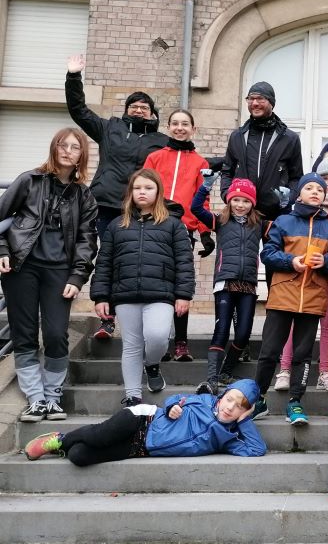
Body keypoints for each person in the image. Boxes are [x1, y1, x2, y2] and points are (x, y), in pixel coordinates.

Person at [65, 54, 169, 339]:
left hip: (139, 208)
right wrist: (74, 76)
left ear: (152, 114)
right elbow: (78, 110)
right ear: (126, 110)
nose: (138, 110)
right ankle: (106, 319)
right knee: (105, 257)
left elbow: (189, 158)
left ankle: (149, 318)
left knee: (134, 260)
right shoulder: (110, 128)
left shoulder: (161, 141)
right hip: (105, 204)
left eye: (144, 107)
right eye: (133, 106)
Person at [0, 128, 98, 422]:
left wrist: (77, 277)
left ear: (82, 155)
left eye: (75, 147)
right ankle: (35, 399)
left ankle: (53, 397)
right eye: (63, 145)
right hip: (22, 267)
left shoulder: (83, 194)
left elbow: (87, 239)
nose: (68, 151)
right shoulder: (30, 181)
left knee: (56, 334)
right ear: (54, 149)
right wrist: (3, 250)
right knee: (24, 333)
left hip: (59, 272)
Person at [90, 169, 195, 407]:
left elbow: (184, 262)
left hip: (160, 295)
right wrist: (100, 296)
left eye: (148, 188)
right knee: (131, 345)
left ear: (158, 191)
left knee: (157, 337)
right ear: (130, 192)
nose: (142, 192)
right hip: (125, 296)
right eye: (137, 188)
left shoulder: (173, 225)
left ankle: (152, 364)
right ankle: (133, 395)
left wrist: (183, 294)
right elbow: (104, 263)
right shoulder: (117, 225)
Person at [253, 172, 328, 424]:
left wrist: (325, 261)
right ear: (300, 193)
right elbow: (267, 254)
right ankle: (257, 399)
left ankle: (295, 402)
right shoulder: (283, 221)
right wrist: (291, 261)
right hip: (282, 296)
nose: (315, 192)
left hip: (313, 299)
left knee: (303, 355)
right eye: (310, 188)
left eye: (320, 189)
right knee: (269, 351)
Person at [23, 379, 266, 464]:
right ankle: (58, 440)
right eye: (230, 399)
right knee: (100, 435)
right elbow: (176, 398)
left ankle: (66, 448)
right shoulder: (205, 401)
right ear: (223, 396)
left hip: (141, 449)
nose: (230, 407)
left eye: (240, 407)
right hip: (144, 420)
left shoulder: (229, 438)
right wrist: (172, 408)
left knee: (79, 456)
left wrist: (245, 421)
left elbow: (256, 449)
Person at [274, 155, 328, 392]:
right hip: (304, 272)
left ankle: (325, 372)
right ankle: (286, 369)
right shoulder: (300, 209)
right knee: (294, 322)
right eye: (324, 179)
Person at [144, 109, 212, 363]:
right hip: (152, 226)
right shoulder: (154, 157)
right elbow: (142, 189)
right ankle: (155, 341)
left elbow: (201, 200)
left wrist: (205, 232)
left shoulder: (201, 163)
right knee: (155, 283)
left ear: (194, 129)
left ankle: (181, 342)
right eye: (175, 123)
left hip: (183, 230)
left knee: (180, 285)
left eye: (185, 124)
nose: (179, 128)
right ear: (168, 127)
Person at [191, 175, 264, 394]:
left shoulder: (259, 224)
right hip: (225, 282)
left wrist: (284, 203)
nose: (240, 205)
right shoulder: (220, 221)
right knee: (221, 329)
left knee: (243, 333)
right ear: (229, 201)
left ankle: (226, 371)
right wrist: (205, 187)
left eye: (246, 201)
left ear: (252, 203)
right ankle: (212, 377)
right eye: (236, 200)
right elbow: (195, 209)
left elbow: (283, 222)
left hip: (249, 284)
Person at [220, 81, 304, 222]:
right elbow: (227, 171)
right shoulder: (237, 136)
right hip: (243, 211)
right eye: (251, 99)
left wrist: (288, 200)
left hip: (277, 215)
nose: (255, 103)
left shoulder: (289, 138)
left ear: (271, 103)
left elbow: (297, 177)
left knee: (274, 246)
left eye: (260, 99)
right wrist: (227, 194)